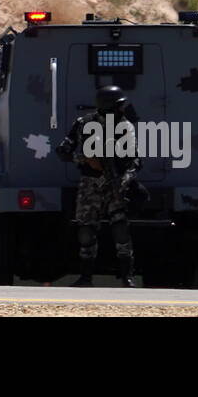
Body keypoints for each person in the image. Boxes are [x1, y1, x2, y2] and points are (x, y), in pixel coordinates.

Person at [57, 86, 140, 287]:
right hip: (90, 184)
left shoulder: (125, 126)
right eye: (120, 105)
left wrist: (125, 180)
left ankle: (127, 276)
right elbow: (62, 150)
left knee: (121, 229)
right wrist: (84, 159)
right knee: (86, 231)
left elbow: (135, 160)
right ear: (110, 106)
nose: (123, 109)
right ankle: (86, 278)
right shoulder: (83, 123)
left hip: (116, 184)